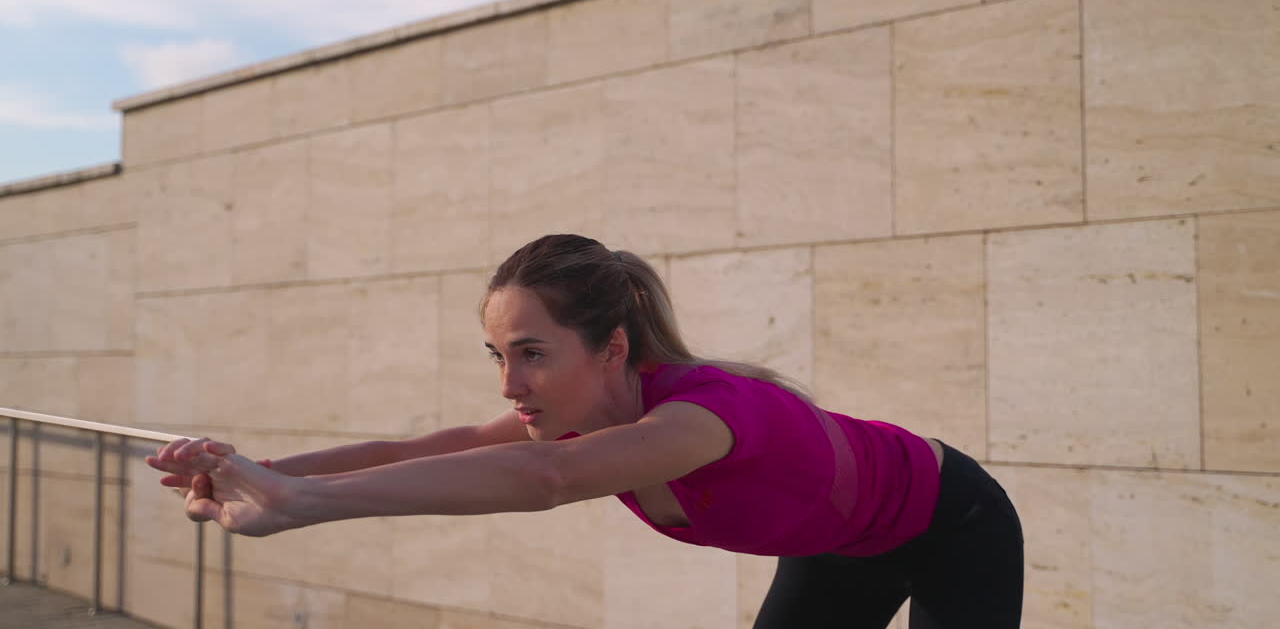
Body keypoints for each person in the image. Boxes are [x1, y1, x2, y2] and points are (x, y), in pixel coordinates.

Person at [148, 234, 1024, 628]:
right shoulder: (569, 418)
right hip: (842, 544)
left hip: (954, 526)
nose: (509, 383)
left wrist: (302, 503)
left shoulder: (701, 419)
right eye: (496, 353)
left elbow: (548, 485)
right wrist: (247, 467)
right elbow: (421, 451)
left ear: (610, 347)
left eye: (530, 352)